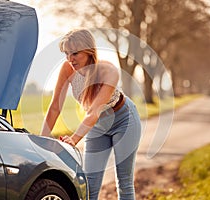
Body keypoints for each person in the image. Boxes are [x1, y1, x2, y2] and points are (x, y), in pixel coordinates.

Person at [41, 28, 141, 200]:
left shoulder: (108, 71)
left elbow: (94, 110)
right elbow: (55, 107)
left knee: (124, 182)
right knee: (90, 184)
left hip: (124, 120)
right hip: (97, 126)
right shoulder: (67, 69)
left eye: (74, 53)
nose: (70, 59)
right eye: (66, 54)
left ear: (88, 51)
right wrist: (41, 142)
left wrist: (74, 139)